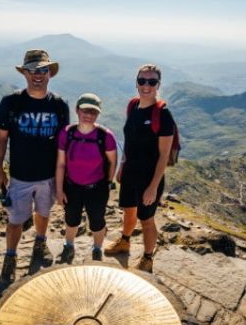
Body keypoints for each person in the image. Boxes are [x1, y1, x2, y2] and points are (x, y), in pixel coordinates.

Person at [0, 49, 69, 283]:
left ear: (50, 74)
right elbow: (1, 138)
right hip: (20, 176)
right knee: (15, 220)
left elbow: (63, 144)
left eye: (43, 70)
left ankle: (39, 244)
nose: (38, 75)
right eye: (33, 70)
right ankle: (11, 257)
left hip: (48, 176)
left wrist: (61, 179)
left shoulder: (59, 105)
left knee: (43, 214)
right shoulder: (11, 102)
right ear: (25, 73)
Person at [104, 64, 174, 273]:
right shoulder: (133, 107)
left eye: (152, 82)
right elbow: (130, 140)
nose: (146, 86)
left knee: (147, 219)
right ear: (136, 83)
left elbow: (164, 155)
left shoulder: (163, 115)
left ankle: (148, 258)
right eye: (142, 81)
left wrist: (153, 187)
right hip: (130, 173)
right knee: (128, 210)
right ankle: (125, 241)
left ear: (158, 85)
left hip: (149, 177)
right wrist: (121, 167)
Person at [56, 93, 117, 263]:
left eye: (93, 112)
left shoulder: (105, 136)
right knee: (71, 218)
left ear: (98, 114)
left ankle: (97, 248)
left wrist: (108, 183)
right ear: (77, 110)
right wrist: (59, 190)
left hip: (96, 188)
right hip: (71, 186)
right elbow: (61, 163)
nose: (89, 115)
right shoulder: (67, 133)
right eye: (85, 111)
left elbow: (113, 161)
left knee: (97, 221)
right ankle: (69, 244)